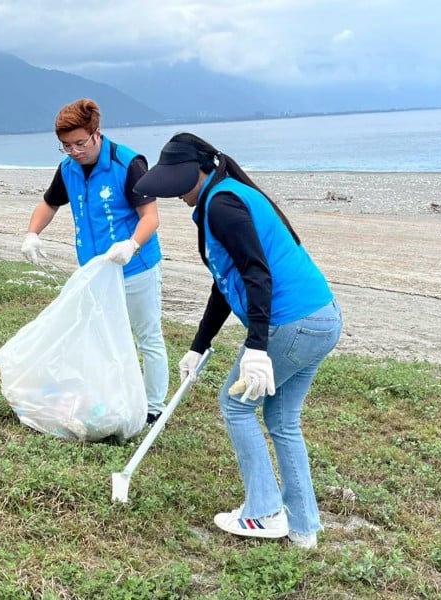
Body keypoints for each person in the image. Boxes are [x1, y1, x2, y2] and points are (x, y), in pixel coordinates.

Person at [134, 132, 343, 549]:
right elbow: (224, 285)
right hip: (322, 317)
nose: (176, 194)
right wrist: (198, 344)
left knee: (235, 406)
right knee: (283, 421)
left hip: (294, 322)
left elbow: (257, 274)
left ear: (201, 170)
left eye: (178, 181)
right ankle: (303, 529)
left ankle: (263, 513)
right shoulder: (224, 197)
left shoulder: (223, 205)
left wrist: (257, 348)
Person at [21, 98, 168, 424]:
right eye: (65, 146)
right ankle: (111, 396)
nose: (74, 151)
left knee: (147, 337)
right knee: (99, 335)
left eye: (79, 143)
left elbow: (150, 217)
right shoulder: (68, 169)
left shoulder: (127, 164)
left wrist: (131, 245)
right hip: (94, 271)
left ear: (96, 133)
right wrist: (32, 233)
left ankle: (154, 408)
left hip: (135, 266)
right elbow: (49, 204)